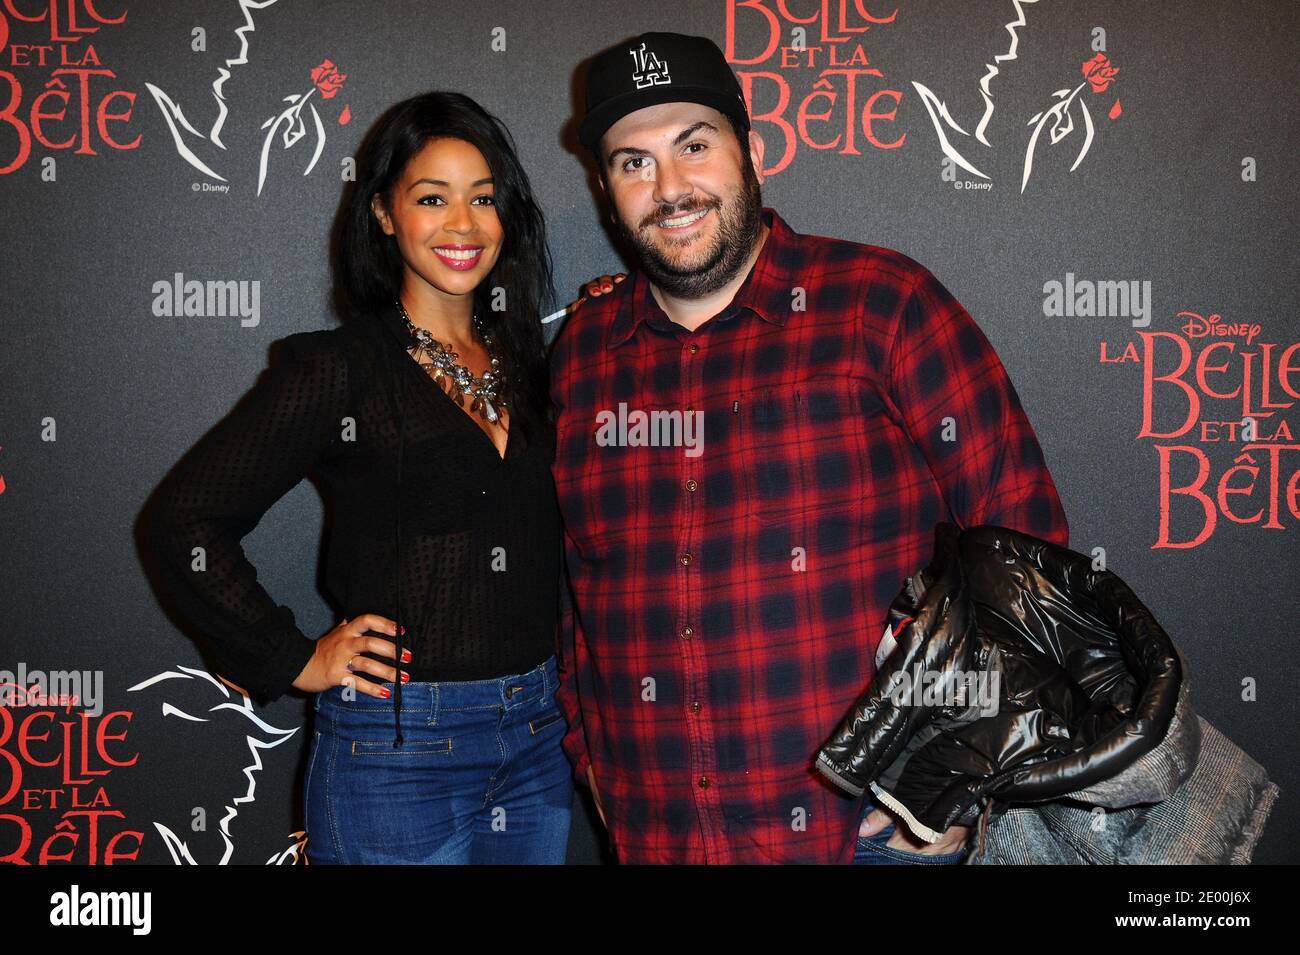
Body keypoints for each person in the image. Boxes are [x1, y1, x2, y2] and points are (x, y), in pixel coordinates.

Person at [550, 32, 1071, 864]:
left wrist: (960, 774)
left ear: (750, 152)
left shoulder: (881, 303)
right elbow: (578, 590)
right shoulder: (582, 351)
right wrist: (593, 759)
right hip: (659, 837)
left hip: (864, 840)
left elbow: (1029, 555)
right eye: (633, 162)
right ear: (607, 189)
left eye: (694, 145)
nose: (671, 188)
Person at [143, 91, 572, 864]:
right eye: (431, 198)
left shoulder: (534, 361)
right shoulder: (340, 369)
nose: (463, 225)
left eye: (483, 198)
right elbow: (185, 519)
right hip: (398, 752)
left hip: (539, 740)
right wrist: (294, 657)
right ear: (382, 212)